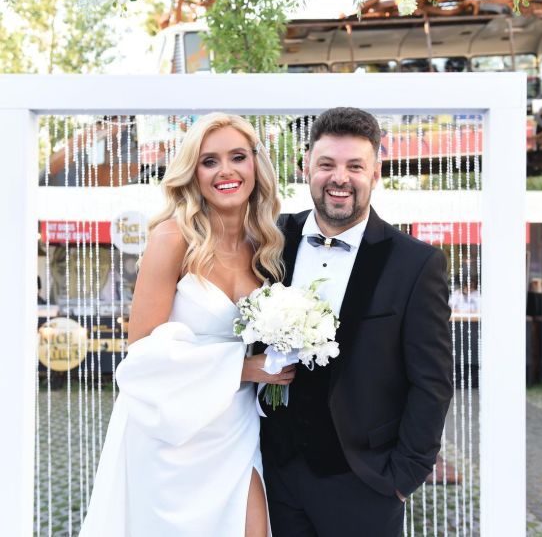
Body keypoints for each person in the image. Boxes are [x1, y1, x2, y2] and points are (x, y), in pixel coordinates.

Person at [79, 113, 295, 537]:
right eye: (209, 161)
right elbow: (140, 353)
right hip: (170, 432)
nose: (226, 171)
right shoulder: (173, 238)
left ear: (256, 164)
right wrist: (242, 368)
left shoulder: (266, 246)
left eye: (238, 157)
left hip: (234, 426)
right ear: (193, 173)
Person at [260, 107, 453, 537]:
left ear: (375, 173)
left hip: (365, 481)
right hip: (273, 474)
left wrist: (403, 477)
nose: (339, 178)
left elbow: (433, 382)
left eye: (355, 166)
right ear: (305, 166)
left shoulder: (416, 263)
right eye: (326, 164)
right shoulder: (269, 240)